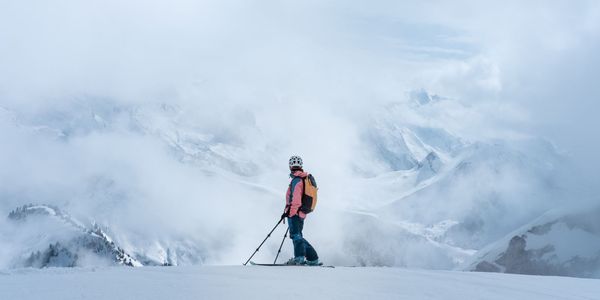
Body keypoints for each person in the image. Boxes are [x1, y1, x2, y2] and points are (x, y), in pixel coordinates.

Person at [281, 155, 320, 266]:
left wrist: (291, 213)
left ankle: (299, 259)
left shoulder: (297, 180)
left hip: (296, 212)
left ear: (290, 166)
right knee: (298, 235)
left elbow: (296, 200)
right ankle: (313, 259)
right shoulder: (303, 178)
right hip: (302, 212)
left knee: (296, 236)